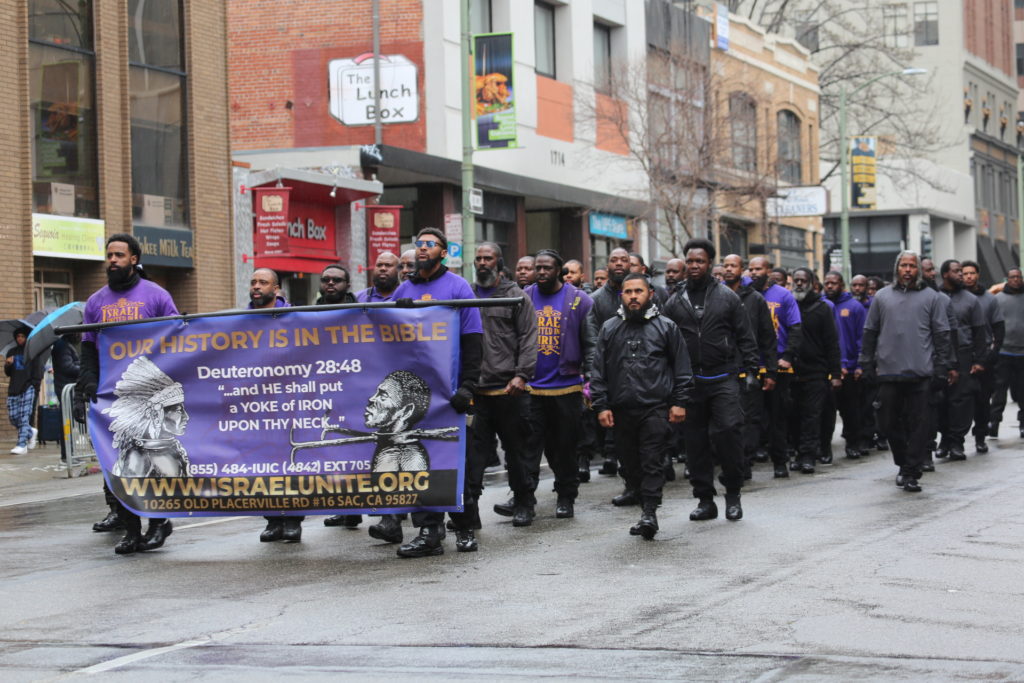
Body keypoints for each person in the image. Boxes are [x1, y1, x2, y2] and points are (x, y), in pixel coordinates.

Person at [75, 233, 179, 554]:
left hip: (149, 393)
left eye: (119, 255)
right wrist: (87, 382)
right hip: (111, 394)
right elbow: (88, 346)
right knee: (117, 461)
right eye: (109, 255)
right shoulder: (95, 302)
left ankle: (159, 522)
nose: (112, 261)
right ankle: (131, 528)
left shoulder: (156, 295)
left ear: (133, 259)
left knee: (150, 458)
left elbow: (177, 339)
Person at [391, 227, 483, 557]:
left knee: (455, 463)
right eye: (419, 245)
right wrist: (396, 311)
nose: (423, 249)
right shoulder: (404, 288)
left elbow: (474, 342)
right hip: (416, 396)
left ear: (443, 252)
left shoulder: (459, 287)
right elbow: (384, 339)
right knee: (419, 465)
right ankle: (429, 533)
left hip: (451, 392)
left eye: (430, 244)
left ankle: (465, 528)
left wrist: (469, 387)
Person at [590, 273, 691, 539]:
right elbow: (598, 370)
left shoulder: (667, 327)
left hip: (655, 408)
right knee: (629, 464)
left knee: (652, 461)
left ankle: (650, 513)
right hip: (621, 410)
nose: (633, 296)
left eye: (639, 291)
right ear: (621, 295)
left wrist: (679, 402)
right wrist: (601, 405)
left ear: (650, 294)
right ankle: (638, 496)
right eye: (628, 292)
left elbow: (682, 369)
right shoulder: (609, 328)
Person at [664, 239, 758, 522]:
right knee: (695, 443)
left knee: (728, 432)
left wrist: (751, 370)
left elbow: (745, 336)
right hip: (690, 382)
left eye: (700, 261)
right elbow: (666, 344)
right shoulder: (674, 302)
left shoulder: (728, 297)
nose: (694, 266)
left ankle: (733, 494)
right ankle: (705, 500)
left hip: (724, 378)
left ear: (709, 265)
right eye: (690, 261)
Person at [858, 251, 953, 493]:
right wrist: (866, 363)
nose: (908, 270)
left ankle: (912, 471)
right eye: (904, 266)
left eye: (912, 266)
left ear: (919, 270)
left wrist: (943, 367)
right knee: (887, 423)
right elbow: (870, 332)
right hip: (888, 372)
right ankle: (903, 462)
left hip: (921, 373)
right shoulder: (881, 296)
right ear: (896, 269)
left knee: (919, 426)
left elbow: (942, 336)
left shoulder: (932, 297)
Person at [467, 243, 538, 535]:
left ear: (499, 262)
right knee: (473, 457)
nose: (483, 263)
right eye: (479, 258)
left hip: (510, 391)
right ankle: (468, 512)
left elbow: (529, 338)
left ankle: (524, 503)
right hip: (476, 392)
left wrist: (522, 375)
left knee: (517, 453)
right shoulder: (465, 295)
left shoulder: (516, 296)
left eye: (488, 258)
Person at [523, 249, 593, 520]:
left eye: (547, 268)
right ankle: (525, 500)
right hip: (532, 388)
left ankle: (566, 496)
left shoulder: (580, 300)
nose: (541, 272)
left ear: (559, 271)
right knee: (528, 448)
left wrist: (591, 381)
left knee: (564, 448)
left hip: (567, 389)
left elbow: (591, 344)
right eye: (537, 268)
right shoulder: (525, 297)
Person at [247, 268, 304, 542]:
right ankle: (272, 519)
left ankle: (293, 519)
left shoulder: (294, 318)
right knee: (263, 462)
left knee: (289, 460)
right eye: (253, 282)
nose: (257, 287)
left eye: (263, 282)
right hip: (257, 406)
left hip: (289, 402)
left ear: (277, 288)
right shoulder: (239, 320)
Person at [721, 254, 776, 477]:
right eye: (725, 265)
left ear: (741, 269)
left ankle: (744, 463)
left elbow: (767, 337)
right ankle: (732, 463)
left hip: (748, 368)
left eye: (733, 265)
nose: (728, 269)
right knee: (727, 421)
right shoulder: (716, 295)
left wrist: (770, 371)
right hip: (722, 369)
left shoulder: (755, 299)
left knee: (748, 419)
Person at [748, 255, 803, 478]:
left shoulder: (783, 295)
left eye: (758, 269)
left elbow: (796, 329)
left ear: (768, 271)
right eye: (750, 269)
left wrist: (788, 356)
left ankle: (780, 462)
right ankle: (745, 464)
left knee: (777, 416)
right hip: (751, 365)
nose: (753, 273)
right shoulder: (745, 296)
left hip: (778, 366)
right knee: (750, 418)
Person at [585, 247, 632, 479]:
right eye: (615, 260)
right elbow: (592, 339)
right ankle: (611, 455)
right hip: (608, 370)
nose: (620, 264)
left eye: (624, 260)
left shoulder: (638, 295)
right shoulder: (594, 301)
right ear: (607, 266)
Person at [789, 269, 841, 474]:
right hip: (792, 372)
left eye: (803, 280)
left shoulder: (822, 308)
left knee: (812, 416)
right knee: (794, 416)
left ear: (812, 283)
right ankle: (798, 453)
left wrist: (835, 374)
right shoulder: (790, 305)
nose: (799, 284)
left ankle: (809, 455)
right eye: (796, 280)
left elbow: (832, 343)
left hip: (816, 372)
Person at [935, 260, 987, 461]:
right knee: (941, 400)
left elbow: (979, 332)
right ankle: (944, 439)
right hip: (940, 354)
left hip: (964, 354)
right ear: (945, 274)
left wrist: (979, 360)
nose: (961, 275)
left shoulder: (971, 300)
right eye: (956, 271)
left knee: (961, 400)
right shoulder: (935, 298)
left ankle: (957, 442)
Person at [822, 272, 868, 461]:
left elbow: (861, 338)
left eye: (834, 283)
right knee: (827, 412)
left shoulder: (855, 307)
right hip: (828, 370)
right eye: (827, 283)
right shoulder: (822, 306)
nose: (830, 286)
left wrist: (858, 364)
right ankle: (824, 449)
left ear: (842, 284)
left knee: (850, 410)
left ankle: (853, 444)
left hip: (849, 369)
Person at [961, 260, 1003, 452]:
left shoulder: (989, 299)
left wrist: (992, 354)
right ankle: (954, 440)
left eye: (972, 273)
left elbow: (999, 329)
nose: (969, 276)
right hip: (961, 356)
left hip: (984, 357)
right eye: (965, 273)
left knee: (982, 399)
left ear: (978, 274)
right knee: (959, 400)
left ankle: (980, 436)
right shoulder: (952, 298)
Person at [990, 268, 1024, 437]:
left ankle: (1023, 424)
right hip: (1004, 353)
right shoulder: (998, 299)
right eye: (1013, 277)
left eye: (1019, 277)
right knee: (999, 391)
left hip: (1023, 354)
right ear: (1007, 280)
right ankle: (994, 422)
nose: (1016, 279)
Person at [6, 326, 43, 455]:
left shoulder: (32, 352)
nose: (20, 339)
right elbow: (8, 373)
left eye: (22, 336)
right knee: (13, 418)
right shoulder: (11, 352)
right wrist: (8, 364)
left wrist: (34, 386)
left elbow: (38, 371)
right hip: (14, 388)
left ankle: (22, 445)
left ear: (27, 338)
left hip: (28, 388)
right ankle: (30, 432)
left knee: (23, 418)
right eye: (18, 336)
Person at [51, 333, 80, 461]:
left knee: (69, 423)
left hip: (65, 387)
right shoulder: (62, 346)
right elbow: (67, 367)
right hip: (65, 389)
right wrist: (84, 368)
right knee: (67, 423)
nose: (80, 334)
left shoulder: (65, 345)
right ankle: (67, 455)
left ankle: (69, 454)